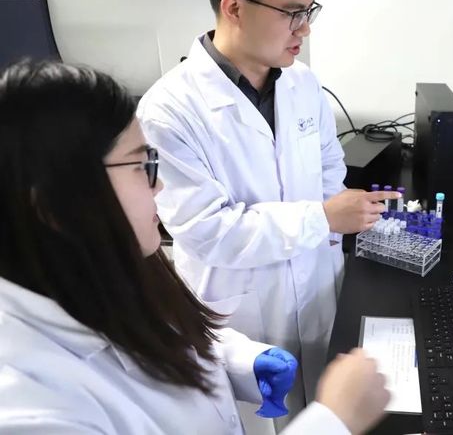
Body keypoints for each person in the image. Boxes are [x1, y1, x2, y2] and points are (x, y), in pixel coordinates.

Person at [0, 60, 390, 434]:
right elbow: (210, 229)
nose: (159, 185)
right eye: (140, 166)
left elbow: (164, 338)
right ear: (56, 203)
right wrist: (334, 421)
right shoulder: (24, 405)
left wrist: (239, 361)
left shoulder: (107, 272)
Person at [136, 0, 398, 428]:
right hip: (242, 318)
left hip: (319, 296)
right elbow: (208, 230)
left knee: (331, 413)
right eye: (292, 13)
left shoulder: (304, 85)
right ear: (233, 6)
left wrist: (331, 215)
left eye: (310, 11)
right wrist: (322, 218)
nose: (305, 29)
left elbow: (329, 170)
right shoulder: (169, 110)